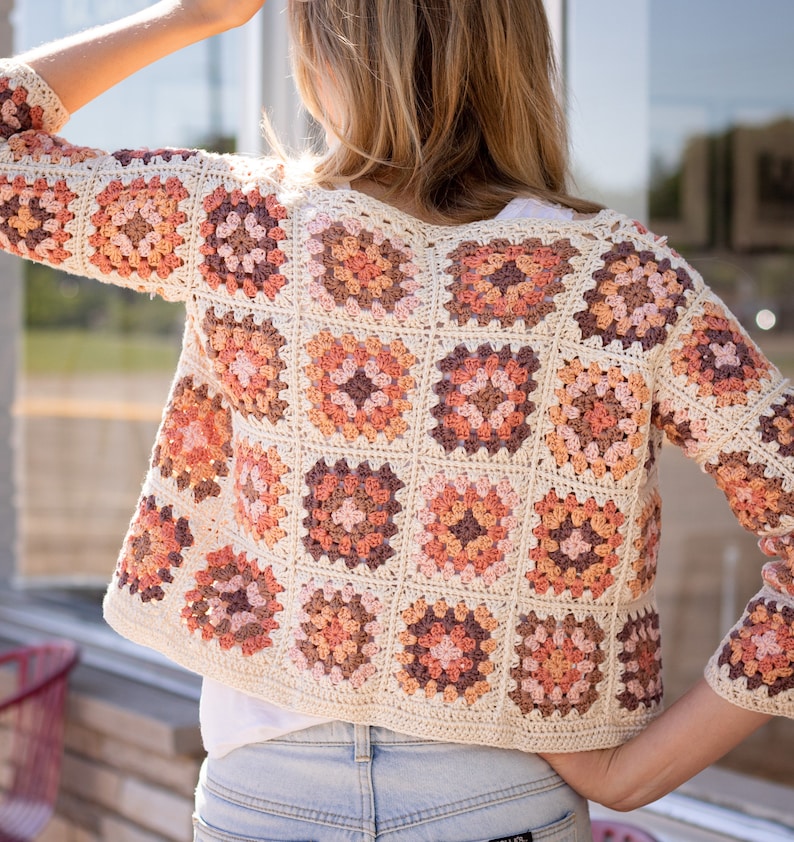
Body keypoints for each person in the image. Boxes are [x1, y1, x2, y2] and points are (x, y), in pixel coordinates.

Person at [0, 1, 791, 839]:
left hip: (265, 805)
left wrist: (187, 19)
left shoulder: (240, 225)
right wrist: (636, 777)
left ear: (322, 50)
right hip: (498, 804)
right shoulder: (624, 283)